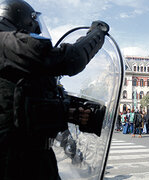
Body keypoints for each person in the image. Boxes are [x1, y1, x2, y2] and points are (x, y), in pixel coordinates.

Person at [0, 0, 109, 180]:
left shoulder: (14, 62)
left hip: (30, 155)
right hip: (15, 160)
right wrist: (98, 33)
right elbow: (70, 59)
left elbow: (20, 101)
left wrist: (68, 111)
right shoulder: (6, 42)